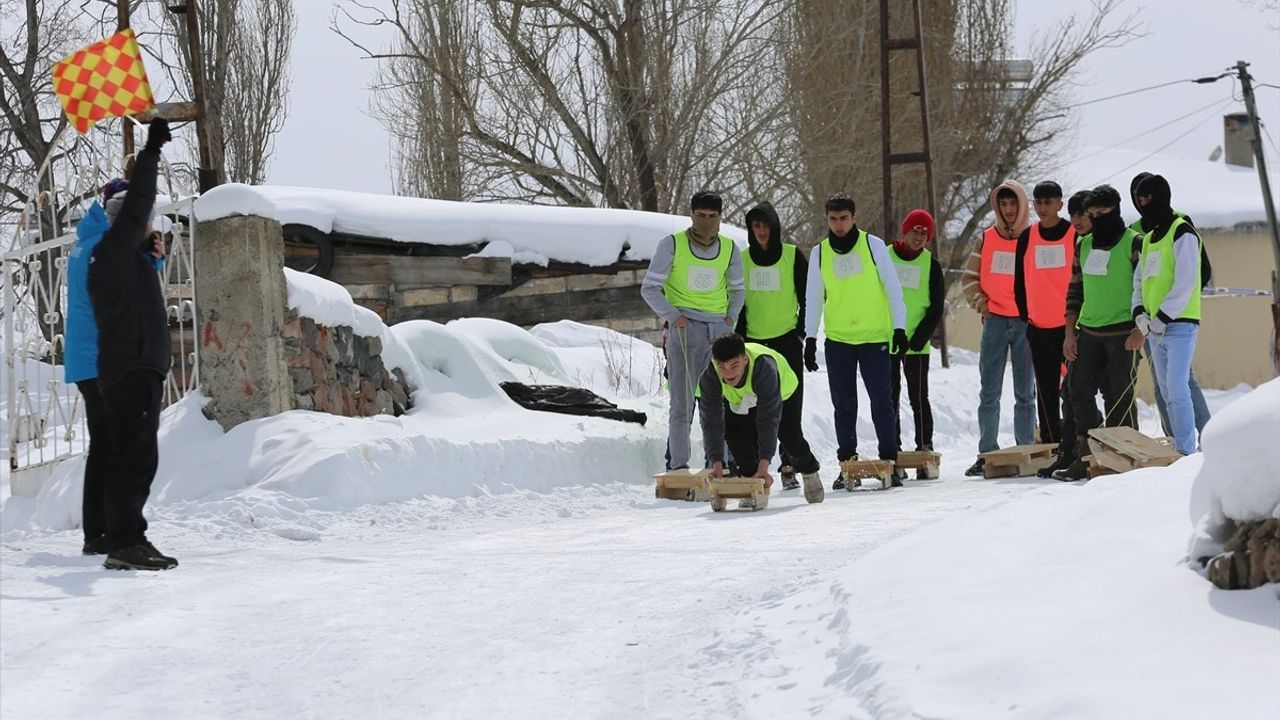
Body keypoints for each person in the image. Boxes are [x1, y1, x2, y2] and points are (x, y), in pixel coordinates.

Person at [88, 117, 178, 571]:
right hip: (130, 368)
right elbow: (138, 200)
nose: (151, 222)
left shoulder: (124, 259)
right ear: (130, 219)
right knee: (133, 459)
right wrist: (151, 150)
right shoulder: (111, 249)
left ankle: (129, 538)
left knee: (137, 456)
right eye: (144, 219)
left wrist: (150, 256)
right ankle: (124, 543)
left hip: (136, 367)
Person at [803, 194, 909, 489]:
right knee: (844, 405)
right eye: (833, 219)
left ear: (854, 217)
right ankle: (846, 462)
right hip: (838, 340)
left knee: (881, 402)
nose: (838, 225)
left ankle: (890, 460)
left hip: (875, 337)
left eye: (844, 218)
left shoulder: (873, 246)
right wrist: (810, 337)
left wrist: (899, 327)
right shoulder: (820, 253)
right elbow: (813, 298)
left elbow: (893, 288)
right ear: (827, 219)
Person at [642, 191, 745, 471]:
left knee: (722, 402)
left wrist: (729, 320)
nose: (707, 221)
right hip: (686, 330)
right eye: (701, 215)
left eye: (713, 216)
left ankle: (721, 463)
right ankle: (678, 467)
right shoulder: (672, 245)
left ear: (720, 217)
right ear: (692, 215)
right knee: (682, 405)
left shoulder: (729, 248)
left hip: (719, 331)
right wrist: (674, 317)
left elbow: (737, 289)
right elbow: (649, 288)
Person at [1054, 185, 1143, 480]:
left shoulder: (1135, 243)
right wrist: (1069, 332)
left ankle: (1125, 456)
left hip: (1123, 334)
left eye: (1101, 214)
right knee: (1078, 393)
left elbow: (1147, 291)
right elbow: (1075, 289)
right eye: (1091, 214)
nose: (1095, 219)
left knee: (1119, 396)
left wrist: (1140, 330)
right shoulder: (1084, 244)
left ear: (1115, 210)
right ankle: (1087, 454)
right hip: (1088, 332)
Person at [1128, 172, 1211, 438]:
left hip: (1179, 322)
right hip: (1154, 327)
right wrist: (1139, 312)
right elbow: (1140, 280)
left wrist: (1163, 316)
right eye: (1139, 199)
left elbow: (1188, 279)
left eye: (1148, 198)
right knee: (1165, 390)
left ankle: (1190, 445)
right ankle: (1177, 441)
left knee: (1178, 387)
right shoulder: (1149, 238)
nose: (1143, 204)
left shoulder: (1182, 230)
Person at [735, 201, 811, 490]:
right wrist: (740, 338)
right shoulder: (742, 259)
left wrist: (802, 332)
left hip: (786, 341)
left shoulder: (792, 256)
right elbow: (738, 301)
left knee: (790, 407)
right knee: (757, 410)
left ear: (774, 227)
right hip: (754, 345)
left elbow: (808, 296)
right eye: (756, 226)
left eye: (765, 225)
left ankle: (789, 464)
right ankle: (757, 469)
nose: (761, 231)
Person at [961, 181, 1035, 476]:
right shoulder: (986, 238)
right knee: (988, 392)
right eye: (1003, 204)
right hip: (994, 322)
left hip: (1025, 323)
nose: (1008, 209)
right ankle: (987, 452)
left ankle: (1026, 448)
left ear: (1021, 205)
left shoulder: (1032, 237)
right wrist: (982, 304)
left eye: (1013, 203)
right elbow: (969, 278)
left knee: (1025, 393)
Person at [698, 333, 824, 503]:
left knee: (790, 438)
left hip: (782, 392)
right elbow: (710, 421)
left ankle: (809, 470)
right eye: (722, 367)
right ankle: (752, 483)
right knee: (735, 436)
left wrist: (764, 465)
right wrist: (717, 462)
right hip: (742, 398)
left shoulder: (764, 367)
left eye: (734, 365)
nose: (728, 373)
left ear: (745, 360)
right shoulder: (710, 376)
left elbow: (768, 419)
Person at [1015, 180, 1075, 448]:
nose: (1042, 207)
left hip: (1069, 325)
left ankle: (1077, 436)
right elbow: (1019, 279)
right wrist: (1025, 314)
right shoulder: (1028, 236)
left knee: (1075, 387)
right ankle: (1051, 442)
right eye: (1038, 202)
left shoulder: (1074, 234)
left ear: (1060, 204)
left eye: (1048, 202)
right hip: (1039, 326)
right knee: (1046, 390)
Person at [888, 209, 944, 453]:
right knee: (890, 398)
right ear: (906, 231)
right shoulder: (886, 257)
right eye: (915, 231)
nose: (919, 236)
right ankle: (893, 444)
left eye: (924, 233)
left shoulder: (931, 264)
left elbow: (936, 306)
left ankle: (924, 444)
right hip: (888, 338)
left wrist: (920, 337)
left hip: (917, 342)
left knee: (919, 398)